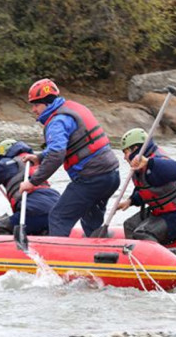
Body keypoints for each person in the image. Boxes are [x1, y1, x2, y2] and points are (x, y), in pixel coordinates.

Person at [18, 79, 120, 237]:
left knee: (58, 217)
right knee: (91, 221)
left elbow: (56, 155)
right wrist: (39, 157)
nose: (33, 110)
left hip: (91, 179)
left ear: (46, 103)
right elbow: (67, 147)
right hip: (111, 176)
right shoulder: (70, 111)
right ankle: (100, 252)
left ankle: (56, 259)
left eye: (36, 105)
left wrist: (32, 182)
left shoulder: (57, 121)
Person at [116, 128, 176, 244]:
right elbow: (148, 191)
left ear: (135, 149)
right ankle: (134, 255)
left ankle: (152, 258)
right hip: (160, 214)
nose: (124, 157)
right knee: (129, 225)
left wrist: (149, 163)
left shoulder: (157, 161)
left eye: (125, 152)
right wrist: (130, 201)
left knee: (143, 233)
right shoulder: (140, 168)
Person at [0, 139, 61, 235]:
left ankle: (11, 249)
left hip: (34, 209)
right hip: (56, 207)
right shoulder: (35, 161)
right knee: (38, 229)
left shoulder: (7, 163)